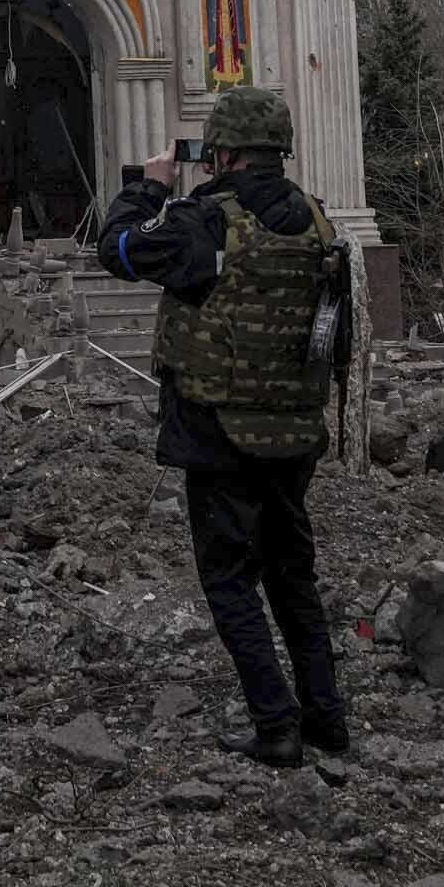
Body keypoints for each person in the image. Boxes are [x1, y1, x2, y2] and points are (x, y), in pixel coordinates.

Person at [93, 85, 353, 766]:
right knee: (292, 574)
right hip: (295, 430)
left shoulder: (203, 221)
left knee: (230, 577)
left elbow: (116, 249)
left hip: (220, 428)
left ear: (225, 152)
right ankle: (326, 716)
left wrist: (148, 188)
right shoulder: (318, 222)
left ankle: (276, 725)